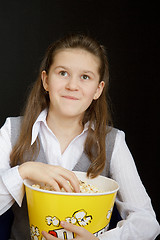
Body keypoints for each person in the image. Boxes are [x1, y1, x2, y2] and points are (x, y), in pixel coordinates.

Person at [0, 33, 159, 240]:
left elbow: (147, 222)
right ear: (46, 80)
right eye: (63, 73)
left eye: (85, 77)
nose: (72, 86)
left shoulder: (113, 142)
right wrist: (24, 171)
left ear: (98, 90)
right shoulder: (12, 130)